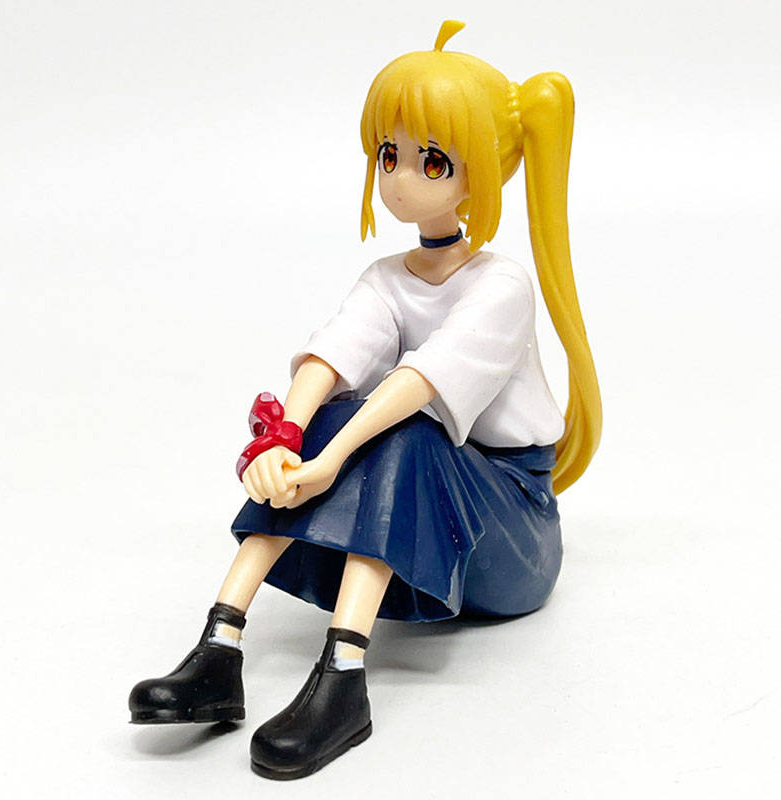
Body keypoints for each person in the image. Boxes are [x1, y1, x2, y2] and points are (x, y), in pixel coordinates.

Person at [129, 20, 602, 781]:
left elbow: (421, 382)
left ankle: (344, 674)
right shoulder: (386, 277)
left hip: (511, 533)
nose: (401, 177)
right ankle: (220, 645)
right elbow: (336, 353)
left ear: (478, 173)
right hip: (440, 501)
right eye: (389, 154)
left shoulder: (501, 285)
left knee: (400, 429)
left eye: (431, 160)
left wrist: (326, 461)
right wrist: (283, 439)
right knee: (334, 416)